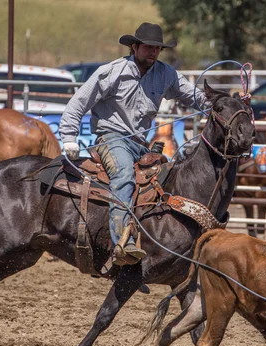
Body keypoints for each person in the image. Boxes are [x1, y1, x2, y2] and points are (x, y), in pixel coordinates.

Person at [60, 22, 208, 266]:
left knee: (166, 183)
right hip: (111, 138)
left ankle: (155, 245)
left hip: (141, 144)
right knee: (124, 174)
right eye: (148, 47)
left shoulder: (166, 74)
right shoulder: (112, 72)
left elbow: (194, 97)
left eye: (157, 48)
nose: (153, 52)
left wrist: (219, 104)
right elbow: (79, 102)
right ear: (135, 46)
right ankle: (122, 242)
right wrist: (67, 135)